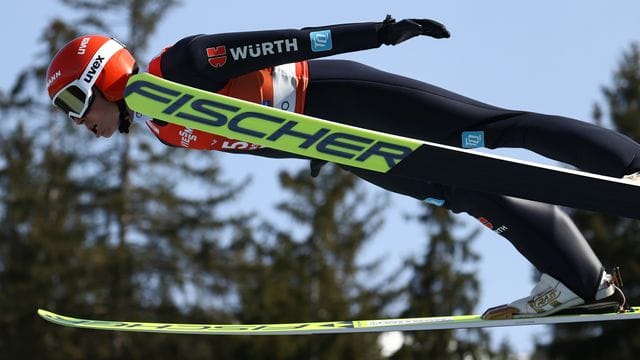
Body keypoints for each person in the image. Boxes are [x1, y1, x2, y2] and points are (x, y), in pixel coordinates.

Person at [46, 15, 636, 319]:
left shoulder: (183, 64)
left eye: (75, 102)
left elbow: (289, 43)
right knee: (466, 190)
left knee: (496, 129)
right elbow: (260, 140)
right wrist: (306, 148)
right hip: (339, 144)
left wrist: (378, 35)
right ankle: (581, 283)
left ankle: (630, 165)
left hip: (340, 97)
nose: (80, 123)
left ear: (103, 76)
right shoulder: (165, 128)